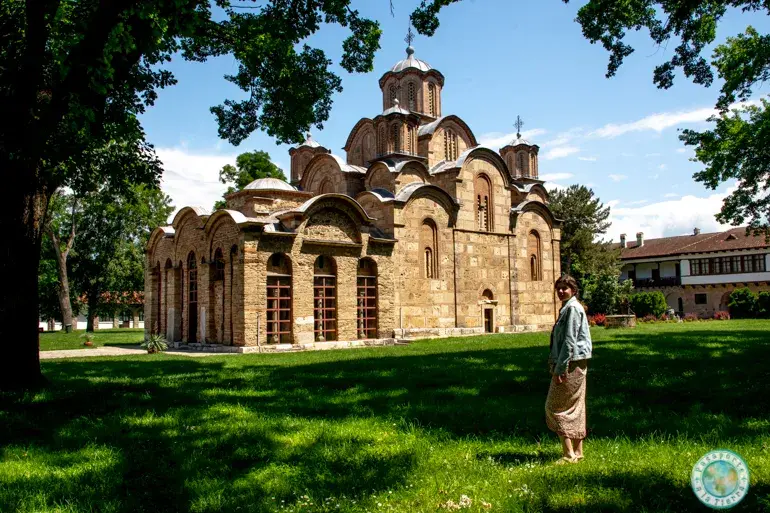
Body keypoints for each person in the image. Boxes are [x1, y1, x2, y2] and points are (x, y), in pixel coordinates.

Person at [546, 275, 592, 464]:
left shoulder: (572, 309)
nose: (561, 291)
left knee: (556, 407)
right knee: (576, 406)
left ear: (573, 290)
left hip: (571, 362)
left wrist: (560, 368)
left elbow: (569, 340)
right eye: (559, 288)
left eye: (565, 288)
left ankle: (568, 454)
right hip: (577, 361)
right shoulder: (569, 307)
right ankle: (578, 452)